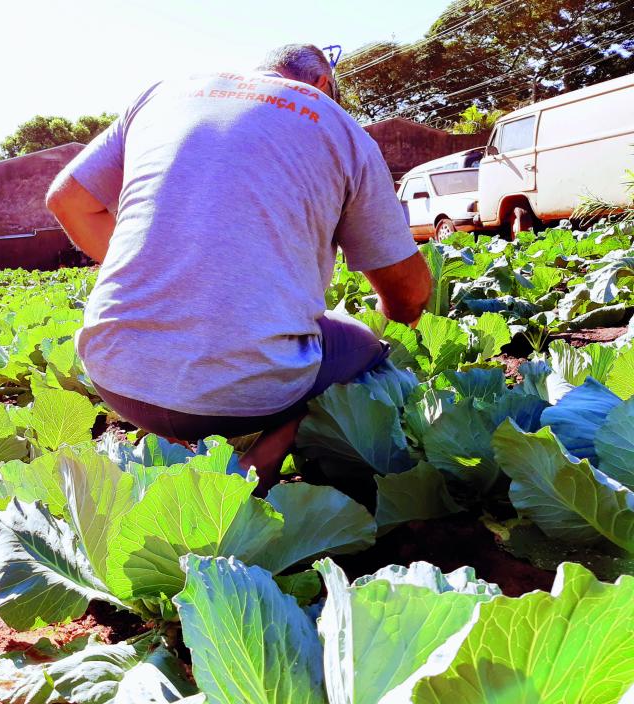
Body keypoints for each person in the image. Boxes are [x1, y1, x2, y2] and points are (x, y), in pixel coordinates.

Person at [45, 44, 432, 488]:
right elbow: (406, 297)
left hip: (114, 379)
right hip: (252, 397)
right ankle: (251, 474)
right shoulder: (338, 126)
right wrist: (403, 313)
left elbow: (66, 201)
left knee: (171, 375)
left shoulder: (165, 94)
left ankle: (167, 460)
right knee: (367, 350)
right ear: (322, 83)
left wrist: (154, 271)